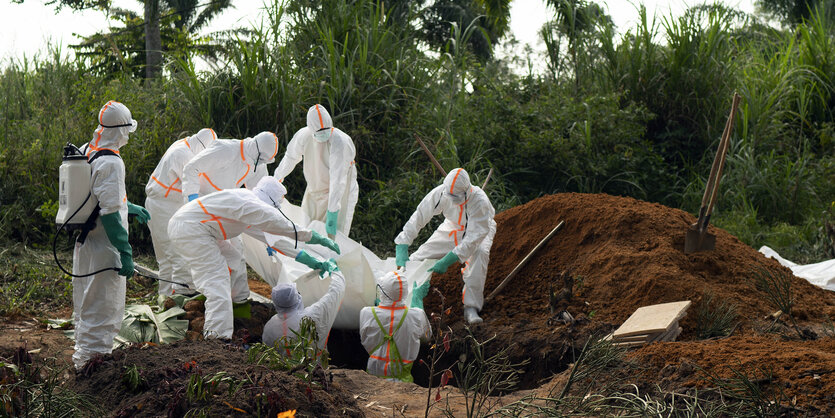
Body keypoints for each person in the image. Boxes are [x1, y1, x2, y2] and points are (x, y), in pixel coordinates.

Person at [168, 176, 340, 339]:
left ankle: (237, 309)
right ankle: (218, 339)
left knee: (234, 258)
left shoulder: (247, 207)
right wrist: (315, 237)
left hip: (198, 229)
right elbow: (283, 225)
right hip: (192, 230)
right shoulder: (250, 204)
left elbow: (276, 241)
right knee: (217, 283)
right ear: (270, 201)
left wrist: (312, 261)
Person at [73, 101, 148, 370]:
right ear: (121, 131)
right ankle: (93, 367)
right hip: (105, 248)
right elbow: (110, 214)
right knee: (103, 307)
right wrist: (125, 252)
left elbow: (95, 197)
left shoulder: (86, 150)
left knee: (86, 301)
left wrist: (129, 206)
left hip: (85, 242)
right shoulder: (112, 162)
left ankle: (82, 358)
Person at [180, 131, 280, 306]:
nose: (261, 163)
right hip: (202, 204)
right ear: (255, 148)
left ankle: (239, 299)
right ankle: (195, 295)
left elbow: (262, 200)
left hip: (226, 208)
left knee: (237, 251)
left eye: (265, 161)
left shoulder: (257, 163)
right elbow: (191, 168)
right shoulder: (225, 149)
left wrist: (269, 237)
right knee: (206, 252)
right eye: (261, 159)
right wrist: (192, 199)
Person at [394, 168, 496, 324]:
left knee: (479, 253)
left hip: (480, 230)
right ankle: (398, 292)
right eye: (450, 196)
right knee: (420, 256)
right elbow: (420, 214)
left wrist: (449, 259)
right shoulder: (442, 192)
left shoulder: (479, 202)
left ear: (466, 192)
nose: (452, 199)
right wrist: (403, 243)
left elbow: (472, 239)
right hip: (452, 226)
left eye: (455, 197)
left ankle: (471, 307)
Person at [144, 128, 216, 296]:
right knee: (178, 253)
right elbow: (197, 184)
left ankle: (166, 297)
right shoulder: (184, 156)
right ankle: (182, 297)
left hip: (160, 203)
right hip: (164, 207)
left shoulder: (182, 144)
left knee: (166, 259)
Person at [273, 104, 358, 238]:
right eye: (319, 131)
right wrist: (277, 179)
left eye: (326, 129)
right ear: (311, 129)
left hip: (339, 194)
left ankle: (333, 258)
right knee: (307, 230)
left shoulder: (340, 142)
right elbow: (290, 157)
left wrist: (333, 211)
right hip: (314, 189)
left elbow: (338, 179)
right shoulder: (304, 136)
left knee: (336, 236)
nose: (323, 133)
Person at [359, 271, 431, 382]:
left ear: (382, 291)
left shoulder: (366, 313)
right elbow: (428, 337)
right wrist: (418, 304)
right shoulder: (416, 315)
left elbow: (364, 339)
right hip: (403, 384)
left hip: (372, 382)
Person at [262, 273, 346, 351]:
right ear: (297, 297)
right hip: (316, 366)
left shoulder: (269, 326)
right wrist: (335, 271)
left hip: (282, 367)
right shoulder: (311, 316)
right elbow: (335, 292)